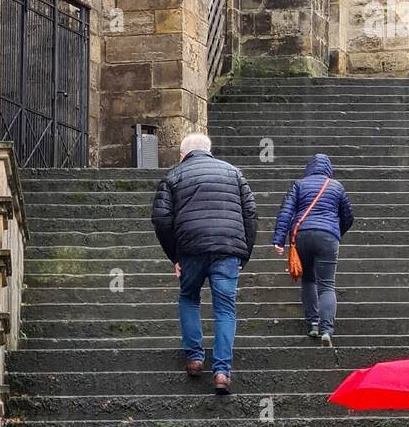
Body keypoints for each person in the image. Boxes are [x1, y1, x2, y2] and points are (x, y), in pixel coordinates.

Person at [151, 132, 256, 394]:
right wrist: (244, 253)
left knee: (189, 298)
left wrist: (174, 255)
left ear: (183, 154)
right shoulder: (234, 173)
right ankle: (221, 371)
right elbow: (250, 214)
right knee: (225, 310)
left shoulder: (173, 176)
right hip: (227, 250)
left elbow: (161, 219)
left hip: (190, 250)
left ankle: (195, 358)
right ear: (209, 150)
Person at [272, 152, 353, 347]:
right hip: (327, 237)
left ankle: (313, 324)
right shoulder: (336, 186)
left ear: (309, 168)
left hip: (302, 235)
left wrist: (278, 239)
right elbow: (348, 216)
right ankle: (326, 329)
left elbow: (286, 212)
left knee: (308, 279)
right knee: (326, 284)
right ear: (329, 169)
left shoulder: (299, 185)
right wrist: (335, 232)